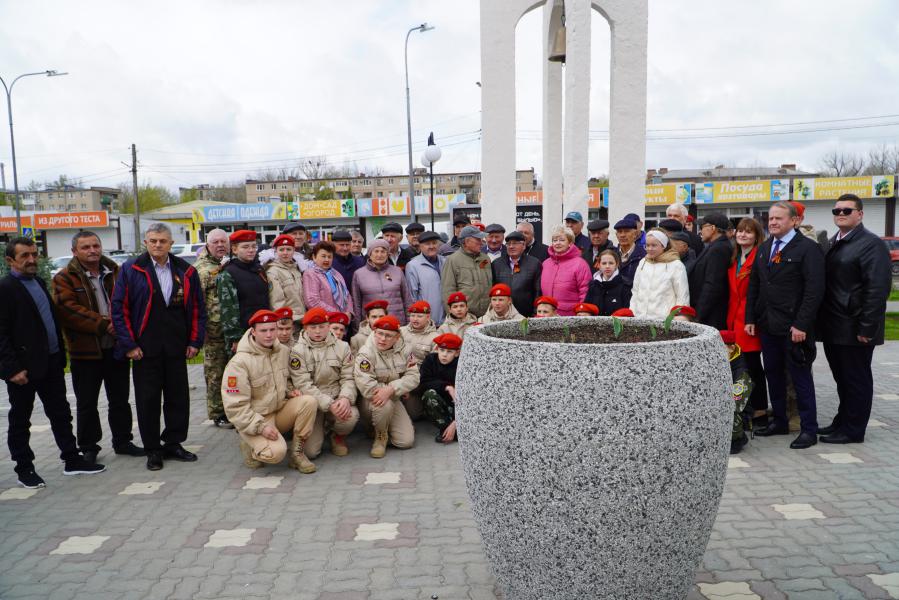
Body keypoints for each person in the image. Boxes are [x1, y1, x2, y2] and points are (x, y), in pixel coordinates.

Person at [1, 237, 105, 487]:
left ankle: (72, 459)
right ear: (10, 260)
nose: (32, 260)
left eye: (34, 254)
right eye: (25, 256)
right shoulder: (5, 289)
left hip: (51, 362)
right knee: (20, 420)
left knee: (61, 414)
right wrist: (12, 368)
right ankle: (24, 468)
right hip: (23, 369)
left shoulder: (37, 282)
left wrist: (59, 354)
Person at [112, 223, 206, 471]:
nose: (157, 245)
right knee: (148, 400)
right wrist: (129, 344)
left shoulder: (186, 270)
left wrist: (195, 341)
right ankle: (153, 449)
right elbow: (119, 309)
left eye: (162, 241)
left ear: (171, 243)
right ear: (146, 242)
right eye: (153, 240)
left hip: (176, 345)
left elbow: (198, 308)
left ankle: (173, 443)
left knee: (178, 398)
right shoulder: (131, 269)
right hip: (144, 348)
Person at [53, 231, 141, 463]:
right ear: (74, 251)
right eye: (85, 247)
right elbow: (68, 310)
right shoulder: (65, 278)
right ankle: (89, 446)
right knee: (87, 403)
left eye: (95, 245)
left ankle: (123, 441)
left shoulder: (115, 272)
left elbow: (130, 301)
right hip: (85, 352)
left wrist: (121, 327)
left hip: (116, 348)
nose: (92, 250)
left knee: (120, 399)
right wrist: (104, 325)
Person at [745, 201, 825, 450]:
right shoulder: (765, 247)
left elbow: (814, 290)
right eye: (770, 218)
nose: (773, 222)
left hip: (794, 328)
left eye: (778, 218)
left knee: (800, 378)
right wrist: (750, 318)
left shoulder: (808, 249)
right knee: (773, 375)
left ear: (794, 221)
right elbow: (755, 285)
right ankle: (779, 420)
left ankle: (809, 429)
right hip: (768, 325)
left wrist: (801, 324)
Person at [817, 193, 892, 444]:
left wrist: (867, 327)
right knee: (842, 379)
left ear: (860, 214)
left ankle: (853, 430)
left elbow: (877, 289)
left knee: (856, 380)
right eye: (836, 211)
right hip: (835, 325)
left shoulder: (871, 244)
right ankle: (842, 421)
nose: (840, 214)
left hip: (855, 326)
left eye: (846, 210)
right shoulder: (834, 241)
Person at [222, 309, 318, 472]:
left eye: (272, 329)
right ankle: (249, 443)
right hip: (257, 418)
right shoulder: (239, 363)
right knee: (276, 453)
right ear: (253, 332)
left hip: (278, 409)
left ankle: (297, 454)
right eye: (263, 330)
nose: (269, 335)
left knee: (309, 401)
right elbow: (235, 407)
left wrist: (289, 391)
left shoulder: (283, 351)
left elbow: (285, 380)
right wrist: (261, 428)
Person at [288, 307, 359, 459]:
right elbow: (303, 384)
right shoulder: (297, 351)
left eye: (322, 327)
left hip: (337, 397)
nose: (318, 331)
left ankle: (337, 436)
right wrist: (328, 404)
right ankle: (321, 428)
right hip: (315, 403)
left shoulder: (342, 347)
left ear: (328, 326)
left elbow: (349, 377)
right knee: (310, 452)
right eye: (313, 327)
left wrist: (345, 398)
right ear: (305, 328)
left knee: (350, 416)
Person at [354, 315, 420, 458]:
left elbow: (414, 377)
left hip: (392, 396)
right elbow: (367, 386)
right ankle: (380, 436)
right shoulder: (366, 352)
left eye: (388, 336)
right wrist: (391, 390)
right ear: (374, 332)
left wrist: (391, 389)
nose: (383, 339)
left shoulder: (405, 349)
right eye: (380, 333)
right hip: (369, 399)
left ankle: (382, 427)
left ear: (397, 337)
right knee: (383, 404)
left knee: (406, 442)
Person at [726, 218, 768, 428]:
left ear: (757, 236)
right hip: (734, 317)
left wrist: (752, 318)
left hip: (749, 320)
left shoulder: (759, 256)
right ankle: (745, 408)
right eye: (740, 231)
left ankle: (760, 409)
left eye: (748, 232)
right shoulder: (735, 257)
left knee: (752, 365)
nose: (743, 235)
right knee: (740, 365)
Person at [194, 228, 233, 428]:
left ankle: (232, 410)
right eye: (215, 242)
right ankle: (218, 413)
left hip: (229, 330)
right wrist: (201, 330)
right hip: (213, 332)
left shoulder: (226, 264)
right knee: (215, 373)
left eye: (223, 242)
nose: (220, 245)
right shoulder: (202, 269)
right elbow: (196, 302)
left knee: (231, 372)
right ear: (208, 245)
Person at [219, 229, 270, 355]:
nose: (251, 250)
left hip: (264, 331)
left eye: (253, 246)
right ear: (235, 249)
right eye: (246, 247)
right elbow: (228, 309)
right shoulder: (228, 273)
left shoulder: (259, 269)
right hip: (243, 335)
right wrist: (235, 338)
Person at [629, 229, 689, 320]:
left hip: (664, 320)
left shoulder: (676, 265)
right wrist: (632, 313)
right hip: (640, 319)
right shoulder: (643, 262)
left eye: (654, 245)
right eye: (647, 245)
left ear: (663, 245)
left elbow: (682, 295)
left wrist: (678, 319)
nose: (649, 249)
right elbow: (636, 291)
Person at [352, 239, 412, 325]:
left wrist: (409, 323)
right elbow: (356, 304)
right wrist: (357, 327)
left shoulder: (397, 271)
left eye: (383, 251)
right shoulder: (359, 274)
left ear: (388, 254)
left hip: (397, 323)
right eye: (376, 251)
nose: (379, 255)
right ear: (370, 254)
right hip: (372, 325)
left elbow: (407, 299)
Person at [689, 212, 732, 330]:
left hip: (711, 315)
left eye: (702, 227)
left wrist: (698, 315)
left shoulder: (719, 249)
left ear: (713, 228)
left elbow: (713, 284)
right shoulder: (715, 246)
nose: (700, 231)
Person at [441, 225, 493, 318]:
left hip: (486, 316)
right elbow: (448, 290)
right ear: (467, 241)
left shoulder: (485, 259)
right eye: (478, 239)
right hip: (464, 317)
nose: (481, 243)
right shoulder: (452, 260)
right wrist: (454, 317)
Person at [540, 224, 591, 316]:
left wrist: (581, 313)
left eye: (562, 240)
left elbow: (585, 292)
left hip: (570, 317)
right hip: (547, 316)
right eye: (555, 240)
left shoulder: (580, 264)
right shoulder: (545, 263)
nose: (557, 243)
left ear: (570, 243)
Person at [420, 333, 462, 444]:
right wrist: (447, 387)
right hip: (440, 404)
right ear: (437, 349)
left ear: (457, 353)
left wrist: (456, 422)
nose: (444, 355)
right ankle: (445, 429)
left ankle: (456, 429)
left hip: (458, 406)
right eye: (442, 350)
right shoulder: (430, 360)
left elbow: (467, 397)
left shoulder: (461, 364)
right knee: (429, 395)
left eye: (449, 352)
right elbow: (424, 382)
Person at [491, 230, 542, 318]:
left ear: (524, 245)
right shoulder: (497, 264)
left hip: (526, 314)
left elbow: (538, 291)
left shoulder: (534, 263)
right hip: (502, 315)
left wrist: (535, 313)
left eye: (515, 243)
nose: (511, 246)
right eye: (508, 244)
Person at [302, 240, 353, 320]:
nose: (327, 259)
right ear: (314, 257)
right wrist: (337, 314)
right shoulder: (310, 274)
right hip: (323, 320)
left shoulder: (336, 273)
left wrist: (349, 312)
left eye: (329, 257)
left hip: (342, 320)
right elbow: (312, 301)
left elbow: (347, 295)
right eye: (323, 256)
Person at [721, 330, 753, 455]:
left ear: (731, 348)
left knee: (731, 409)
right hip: (725, 403)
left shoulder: (741, 372)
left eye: (720, 348)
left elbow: (737, 403)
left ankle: (737, 439)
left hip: (738, 409)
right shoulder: (723, 362)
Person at [266, 234, 306, 332]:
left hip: (302, 320)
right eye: (281, 249)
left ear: (294, 251)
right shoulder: (273, 271)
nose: (285, 253)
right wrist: (286, 320)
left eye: (288, 249)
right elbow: (277, 302)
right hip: (288, 323)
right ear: (276, 251)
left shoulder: (296, 269)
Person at [405, 231, 447, 325]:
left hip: (448, 320)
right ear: (420, 246)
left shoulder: (445, 261)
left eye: (434, 243)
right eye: (427, 244)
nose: (431, 246)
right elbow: (413, 296)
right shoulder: (413, 265)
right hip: (427, 320)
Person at [585, 249, 632, 316]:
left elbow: (627, 312)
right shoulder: (593, 285)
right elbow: (587, 309)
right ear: (599, 265)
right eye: (604, 263)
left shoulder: (625, 285)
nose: (607, 266)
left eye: (611, 263)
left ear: (616, 264)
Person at [613, 216, 646, 285]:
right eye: (619, 232)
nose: (622, 235)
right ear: (616, 235)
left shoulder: (644, 255)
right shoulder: (611, 254)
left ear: (635, 234)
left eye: (626, 231)